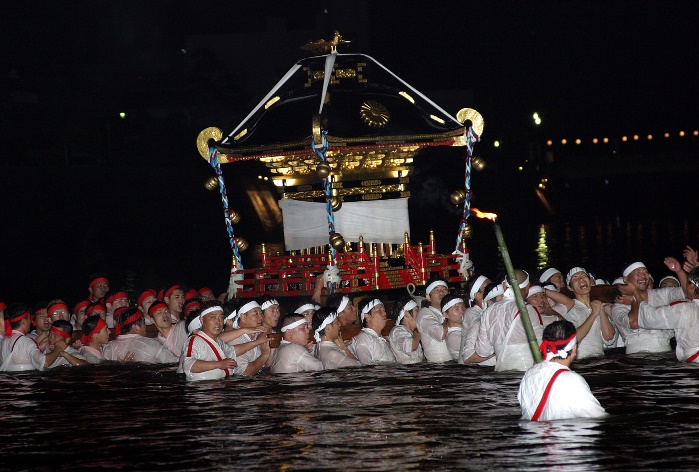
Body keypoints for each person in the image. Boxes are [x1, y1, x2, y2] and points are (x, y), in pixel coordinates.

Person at [518, 320, 607, 421]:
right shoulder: (571, 380)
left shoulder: (529, 374)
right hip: (561, 435)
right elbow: (598, 417)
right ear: (574, 348)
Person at [475, 269, 545, 372]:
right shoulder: (528, 310)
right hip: (526, 372)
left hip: (501, 373)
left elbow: (482, 351)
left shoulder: (488, 311)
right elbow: (541, 347)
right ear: (527, 287)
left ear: (504, 286)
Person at [611, 258, 685, 354]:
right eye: (637, 272)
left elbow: (689, 292)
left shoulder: (661, 294)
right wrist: (634, 297)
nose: (643, 275)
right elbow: (635, 323)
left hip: (665, 354)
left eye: (645, 272)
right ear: (626, 279)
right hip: (637, 358)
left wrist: (679, 271)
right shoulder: (619, 305)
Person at [543, 267, 617, 359]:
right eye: (575, 278)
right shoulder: (570, 309)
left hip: (600, 360)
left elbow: (609, 337)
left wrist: (600, 310)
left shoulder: (596, 306)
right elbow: (574, 338)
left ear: (590, 281)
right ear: (570, 287)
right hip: (581, 361)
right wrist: (593, 314)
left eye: (583, 276)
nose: (581, 279)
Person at [633, 266, 699, 363]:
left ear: (692, 286)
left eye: (687, 283)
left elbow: (650, 318)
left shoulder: (685, 309)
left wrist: (636, 294)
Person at [178, 303, 238, 381]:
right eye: (213, 317)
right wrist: (219, 364)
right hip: (201, 388)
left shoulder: (218, 341)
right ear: (202, 320)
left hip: (220, 385)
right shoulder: (195, 340)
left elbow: (232, 350)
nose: (218, 322)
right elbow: (188, 364)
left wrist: (255, 342)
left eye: (221, 317)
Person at [0, 303, 65, 371]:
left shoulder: (4, 340)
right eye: (29, 318)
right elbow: (45, 362)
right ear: (24, 321)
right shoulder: (25, 341)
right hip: (23, 379)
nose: (31, 321)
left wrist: (39, 349)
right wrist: (58, 348)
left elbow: (20, 356)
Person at [102, 307, 179, 364]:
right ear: (135, 327)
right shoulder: (152, 344)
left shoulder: (107, 348)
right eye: (143, 323)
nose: (145, 326)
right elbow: (175, 363)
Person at [224, 300, 272, 376]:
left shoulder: (258, 335)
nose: (261, 317)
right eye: (256, 313)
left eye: (261, 313)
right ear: (243, 317)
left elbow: (268, 367)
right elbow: (245, 373)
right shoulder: (235, 339)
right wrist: (265, 354)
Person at [461, 277, 496, 366]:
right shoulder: (471, 313)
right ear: (477, 295)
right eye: (486, 288)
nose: (491, 289)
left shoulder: (489, 311)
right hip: (473, 366)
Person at [416, 276, 452, 363]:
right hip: (438, 369)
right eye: (436, 290)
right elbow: (440, 334)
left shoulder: (456, 310)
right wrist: (451, 316)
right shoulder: (424, 313)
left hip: (456, 364)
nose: (441, 292)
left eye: (444, 289)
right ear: (428, 297)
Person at [351, 298, 396, 365]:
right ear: (367, 316)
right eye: (379, 310)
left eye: (384, 310)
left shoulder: (382, 339)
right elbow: (366, 367)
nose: (384, 313)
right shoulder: (364, 338)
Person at [389, 296, 424, 364]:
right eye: (417, 310)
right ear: (407, 314)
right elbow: (411, 346)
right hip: (407, 372)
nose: (420, 314)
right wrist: (417, 334)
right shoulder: (397, 331)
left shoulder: (410, 332)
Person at [442, 294, 465, 361]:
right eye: (456, 309)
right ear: (446, 314)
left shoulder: (464, 329)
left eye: (463, 307)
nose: (462, 311)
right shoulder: (453, 336)